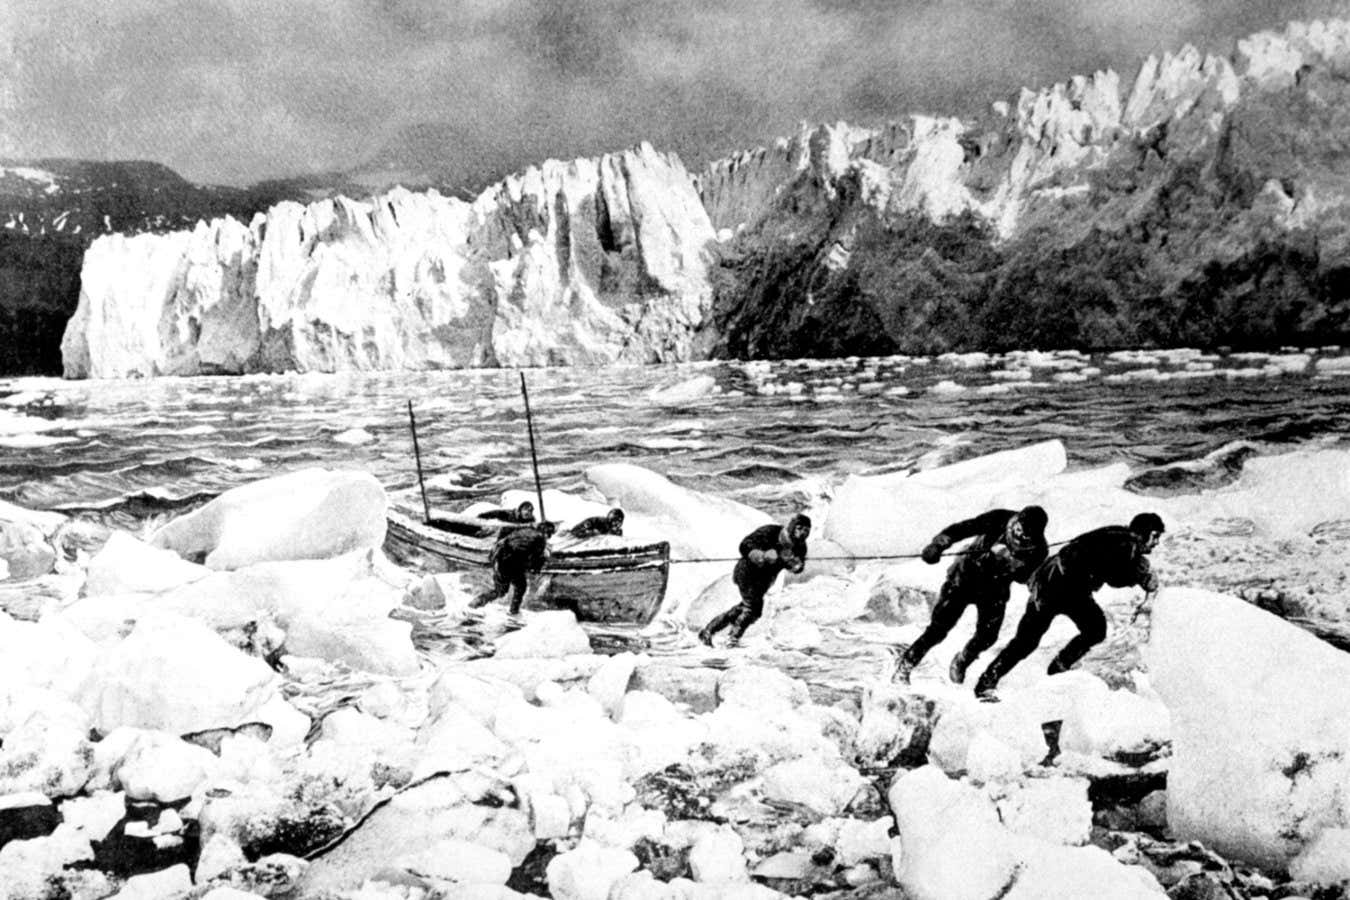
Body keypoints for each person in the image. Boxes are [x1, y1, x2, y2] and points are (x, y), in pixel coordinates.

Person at [973, 512, 1165, 701]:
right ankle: (1057, 667)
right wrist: (1141, 576)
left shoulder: (1118, 536)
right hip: (1062, 587)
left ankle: (989, 681)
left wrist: (1138, 570)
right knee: (1092, 630)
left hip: (1058, 583)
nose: (1156, 543)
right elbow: (1115, 577)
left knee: (1028, 640)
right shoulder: (1126, 544)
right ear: (1143, 532)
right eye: (1155, 536)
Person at [893, 505, 1049, 685]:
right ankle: (905, 666)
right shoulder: (1000, 518)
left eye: (1027, 535)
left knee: (988, 636)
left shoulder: (1039, 550)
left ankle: (962, 661)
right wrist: (938, 544)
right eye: (1019, 529)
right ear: (1017, 521)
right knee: (938, 629)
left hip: (995, 590)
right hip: (965, 578)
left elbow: (1024, 578)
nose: (1020, 536)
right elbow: (965, 528)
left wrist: (1013, 564)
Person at [698, 514, 811, 648]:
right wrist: (759, 554)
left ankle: (708, 631)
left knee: (744, 608)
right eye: (799, 528)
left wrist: (796, 566)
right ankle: (732, 639)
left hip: (764, 581)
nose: (802, 533)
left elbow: (798, 566)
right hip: (747, 573)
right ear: (792, 526)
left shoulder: (800, 547)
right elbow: (745, 545)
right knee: (753, 609)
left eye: (806, 530)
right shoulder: (770, 532)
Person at [469, 520, 557, 614]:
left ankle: (476, 602)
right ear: (546, 532)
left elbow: (504, 542)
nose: (549, 537)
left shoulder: (523, 530)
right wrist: (536, 568)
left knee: (500, 590)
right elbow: (537, 560)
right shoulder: (540, 539)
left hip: (501, 560)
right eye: (549, 534)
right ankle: (514, 611)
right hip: (513, 563)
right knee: (521, 587)